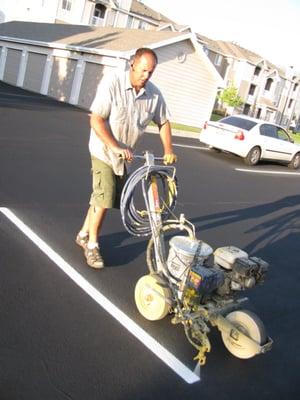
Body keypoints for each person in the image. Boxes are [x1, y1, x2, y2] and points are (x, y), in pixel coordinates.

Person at [76, 47, 177, 269]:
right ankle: (92, 246)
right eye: (143, 70)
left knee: (106, 196)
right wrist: (115, 145)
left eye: (150, 72)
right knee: (105, 196)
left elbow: (164, 122)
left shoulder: (154, 94)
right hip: (103, 149)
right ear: (132, 64)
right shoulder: (113, 83)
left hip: (124, 155)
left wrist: (168, 149)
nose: (146, 76)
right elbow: (96, 119)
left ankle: (83, 233)